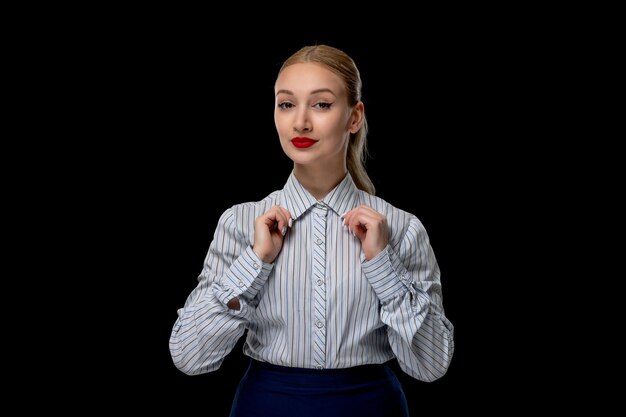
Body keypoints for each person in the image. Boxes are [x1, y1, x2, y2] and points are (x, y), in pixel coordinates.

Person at [169, 44, 454, 417]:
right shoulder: (239, 223)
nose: (300, 122)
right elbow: (189, 357)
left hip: (373, 408)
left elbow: (431, 366)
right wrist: (255, 261)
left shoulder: (402, 228)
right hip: (265, 407)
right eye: (286, 104)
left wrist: (383, 265)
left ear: (354, 118)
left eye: (321, 104)